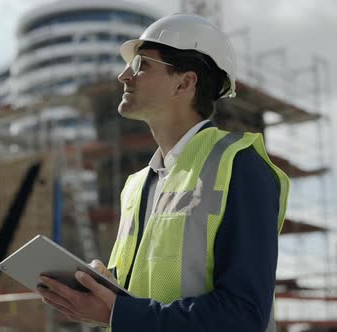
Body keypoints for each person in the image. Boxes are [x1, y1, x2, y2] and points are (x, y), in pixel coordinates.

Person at [36, 13, 289, 331]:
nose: (124, 76)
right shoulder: (137, 185)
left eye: (142, 65)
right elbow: (145, 290)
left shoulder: (240, 166)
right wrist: (103, 286)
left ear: (185, 83)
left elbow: (243, 314)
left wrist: (117, 313)